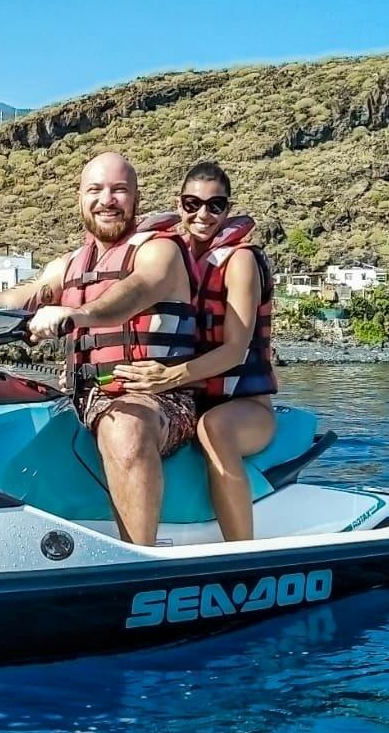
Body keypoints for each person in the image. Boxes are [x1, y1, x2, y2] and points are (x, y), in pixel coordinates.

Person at [0, 152, 198, 545]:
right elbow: (11, 299)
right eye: (95, 190)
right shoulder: (67, 266)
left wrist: (75, 313)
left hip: (158, 397)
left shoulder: (158, 251)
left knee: (127, 428)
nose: (107, 199)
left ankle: (138, 560)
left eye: (119, 190)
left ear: (136, 198)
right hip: (81, 394)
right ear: (80, 198)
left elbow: (133, 292)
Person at [113, 161, 277, 542]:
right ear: (179, 204)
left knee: (213, 427)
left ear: (227, 209)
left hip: (245, 406)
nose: (202, 214)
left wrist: (168, 377)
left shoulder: (240, 262)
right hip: (190, 397)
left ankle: (242, 553)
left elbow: (235, 351)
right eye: (192, 203)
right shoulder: (170, 257)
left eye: (215, 205)